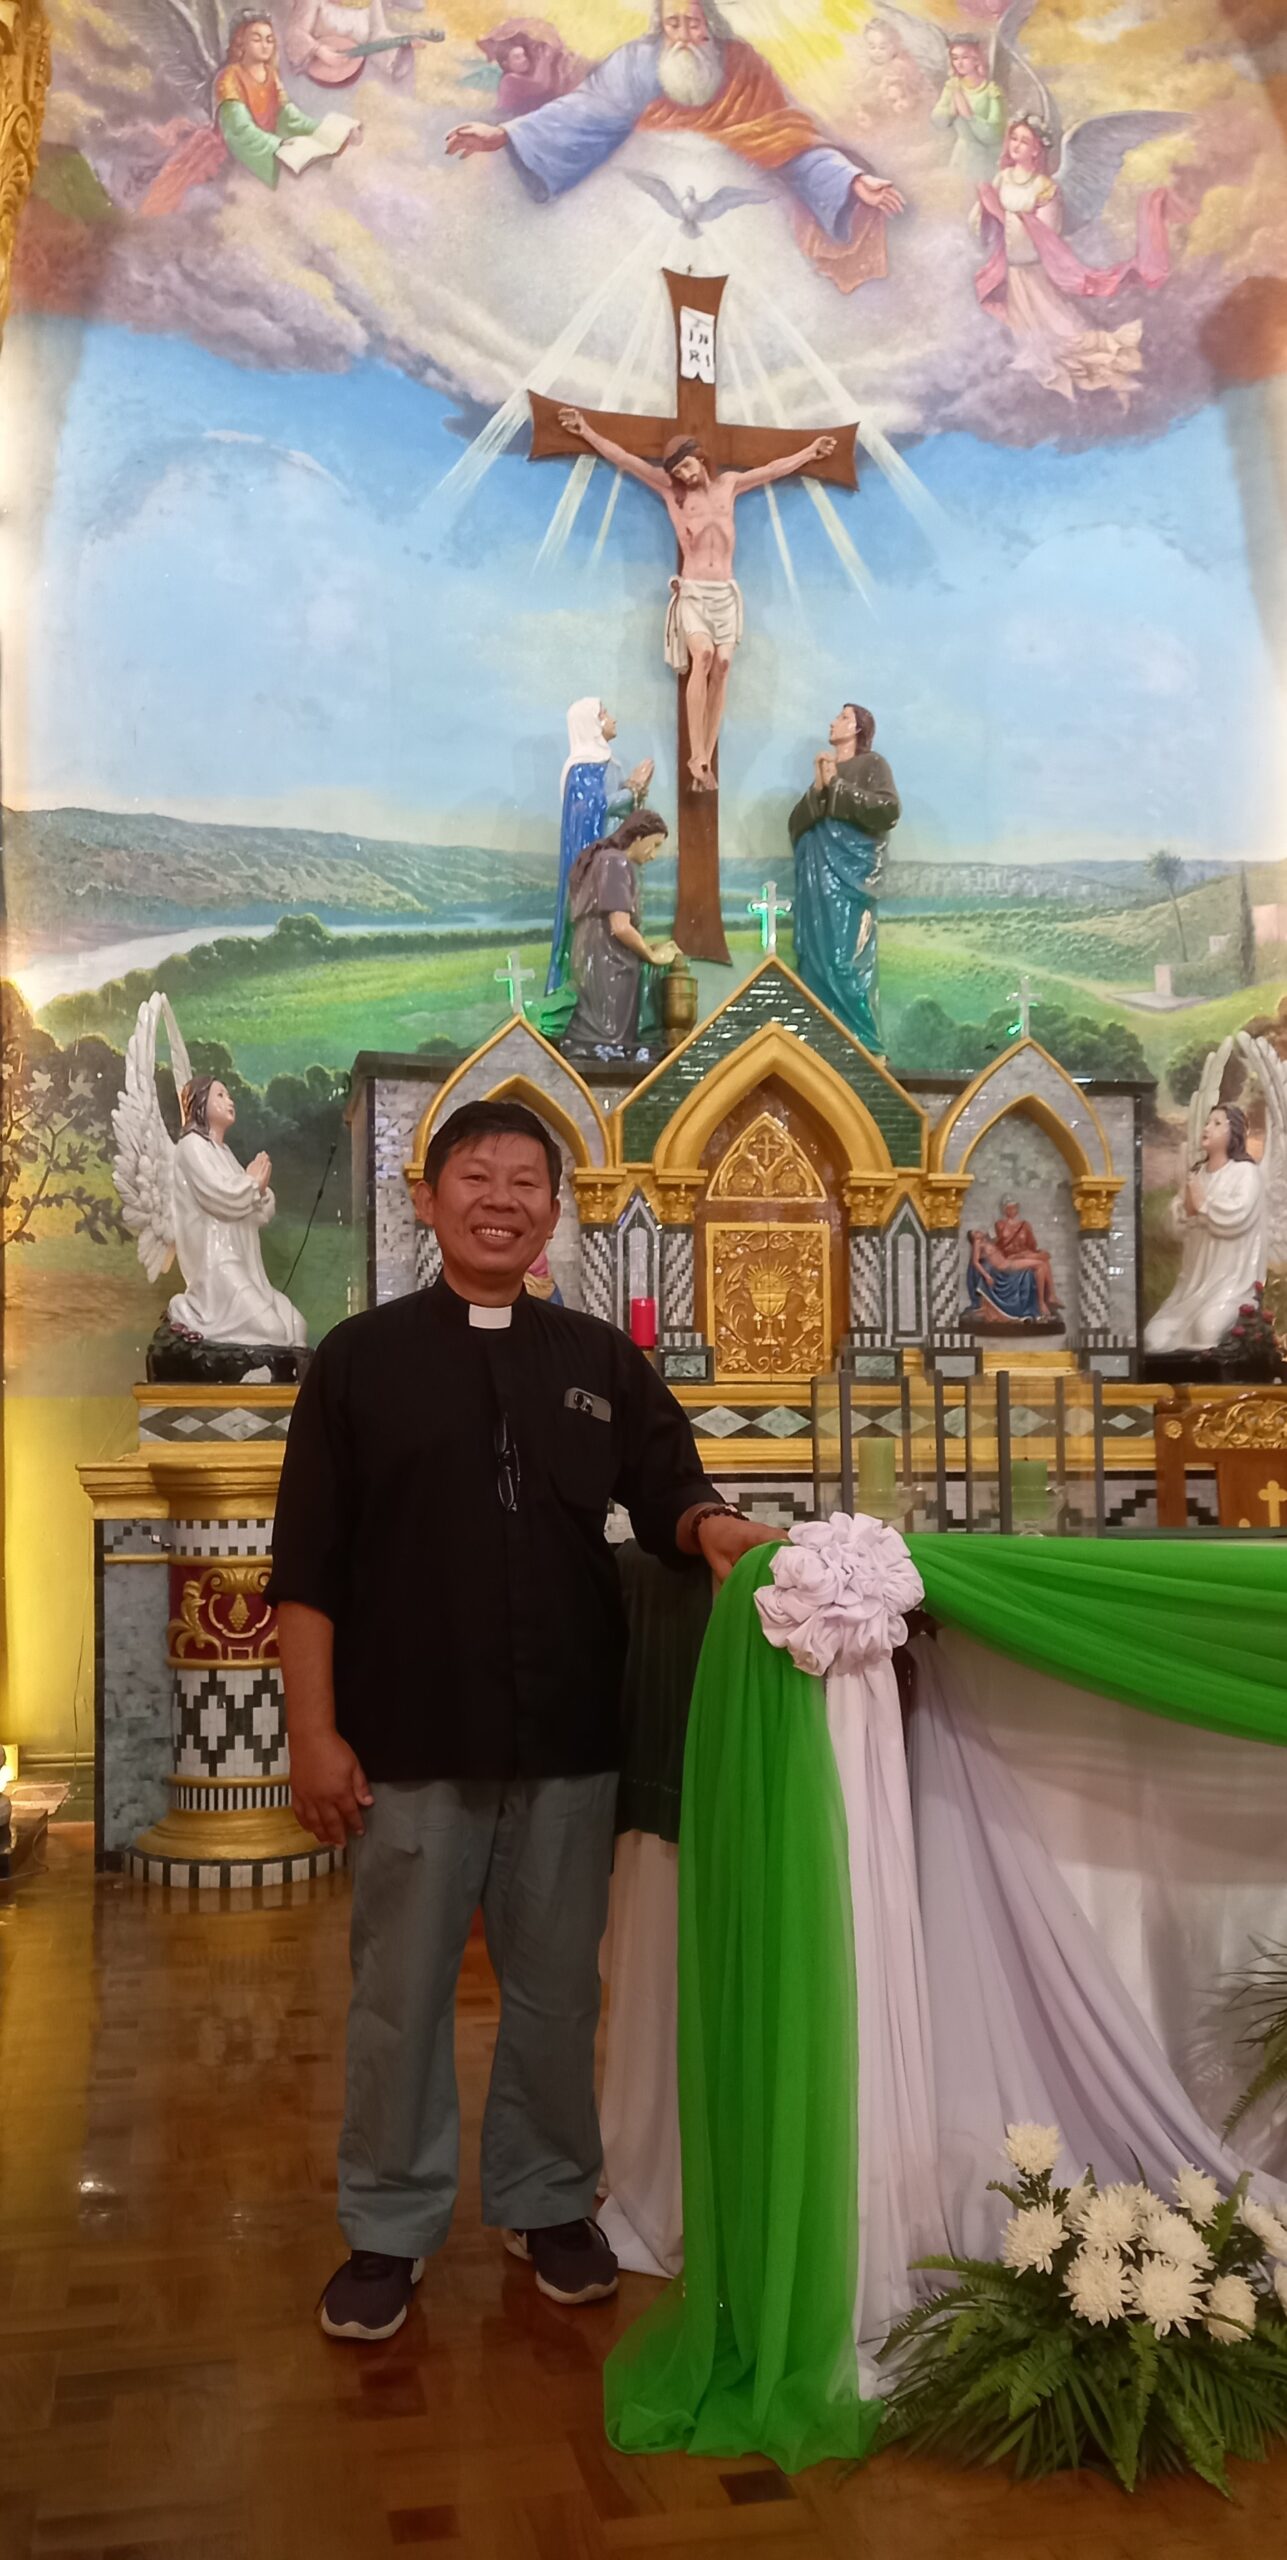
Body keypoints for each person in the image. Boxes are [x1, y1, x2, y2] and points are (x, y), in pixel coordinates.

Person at [268, 1098, 774, 2342]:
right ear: (427, 1197)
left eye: (525, 1182)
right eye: (475, 1175)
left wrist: (712, 1525)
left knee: (556, 1992)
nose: (500, 1199)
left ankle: (548, 2196)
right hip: (408, 1738)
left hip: (566, 1735)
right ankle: (388, 2225)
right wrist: (313, 1732)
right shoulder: (358, 1360)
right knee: (401, 1995)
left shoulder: (597, 1358)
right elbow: (307, 1565)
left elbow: (670, 1484)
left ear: (555, 1210)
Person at [446, 0, 906, 295]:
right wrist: (506, 134)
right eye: (672, 23)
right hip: (632, 225)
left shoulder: (743, 68)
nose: (683, 34)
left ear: (711, 25)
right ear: (660, 25)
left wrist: (851, 179)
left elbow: (786, 139)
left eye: (693, 23)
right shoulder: (637, 63)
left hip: (744, 235)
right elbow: (585, 111)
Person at [556, 415, 837, 791]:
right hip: (694, 592)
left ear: (700, 458)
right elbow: (625, 459)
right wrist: (588, 431)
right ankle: (696, 754)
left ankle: (706, 753)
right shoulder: (673, 493)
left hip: (725, 594)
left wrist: (810, 452)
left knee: (723, 664)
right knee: (702, 656)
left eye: (687, 466)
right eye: (677, 472)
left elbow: (772, 470)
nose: (684, 476)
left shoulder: (729, 485)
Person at [139, 11, 336, 216]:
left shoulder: (271, 75)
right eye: (257, 39)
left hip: (264, 148)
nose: (265, 45)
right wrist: (279, 148)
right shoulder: (229, 77)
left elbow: (288, 115)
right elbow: (238, 129)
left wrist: (325, 132)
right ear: (241, 43)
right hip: (224, 156)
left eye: (269, 40)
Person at [788, 702, 900, 1051]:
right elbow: (796, 826)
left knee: (845, 961)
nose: (834, 722)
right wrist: (818, 790)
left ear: (858, 729)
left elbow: (888, 810)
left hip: (852, 879)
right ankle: (817, 1042)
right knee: (815, 959)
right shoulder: (825, 774)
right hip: (817, 884)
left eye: (843, 717)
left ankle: (861, 1045)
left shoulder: (873, 764)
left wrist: (836, 785)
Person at [167, 1074, 307, 1348]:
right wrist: (253, 1183)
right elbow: (220, 1196)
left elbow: (253, 1212)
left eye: (229, 1095)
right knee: (273, 1332)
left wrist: (260, 1191)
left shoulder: (225, 1152)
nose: (229, 1101)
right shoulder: (191, 1146)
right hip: (218, 1264)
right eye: (220, 1095)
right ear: (200, 1103)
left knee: (296, 1328)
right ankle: (188, 1310)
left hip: (246, 1265)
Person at [547, 699, 653, 995]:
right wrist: (633, 788)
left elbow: (617, 812)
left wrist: (636, 791)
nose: (612, 718)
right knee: (596, 932)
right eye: (604, 714)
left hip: (614, 862)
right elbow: (595, 810)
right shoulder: (581, 769)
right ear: (590, 724)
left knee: (618, 925)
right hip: (594, 866)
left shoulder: (608, 765)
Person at [1144, 1103, 1266, 1353]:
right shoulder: (1197, 1175)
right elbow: (1174, 1226)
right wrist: (1185, 1212)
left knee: (1206, 1329)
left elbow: (1238, 1216)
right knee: (1153, 1337)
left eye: (1217, 1123)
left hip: (1230, 1285)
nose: (1207, 1128)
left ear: (1234, 1133)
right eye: (1208, 1122)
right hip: (1191, 1289)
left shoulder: (1245, 1173)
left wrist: (1203, 1205)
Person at [564, 809, 677, 1060]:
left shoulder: (604, 860)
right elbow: (620, 926)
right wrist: (651, 955)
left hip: (596, 951)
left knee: (603, 1024)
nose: (654, 855)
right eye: (654, 845)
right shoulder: (615, 862)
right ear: (638, 837)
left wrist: (648, 946)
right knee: (609, 1032)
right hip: (608, 958)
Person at [476, 18, 589, 119]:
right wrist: (545, 61)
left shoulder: (524, 74)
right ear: (506, 64)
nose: (524, 59)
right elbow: (540, 85)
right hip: (507, 117)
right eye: (517, 58)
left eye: (524, 55)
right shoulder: (509, 80)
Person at [930, 36, 1004, 182]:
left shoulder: (991, 90)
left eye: (965, 57)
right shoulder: (952, 87)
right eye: (955, 58)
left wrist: (969, 116)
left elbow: (994, 132)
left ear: (976, 59)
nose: (959, 63)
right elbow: (937, 120)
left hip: (986, 156)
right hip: (962, 154)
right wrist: (952, 110)